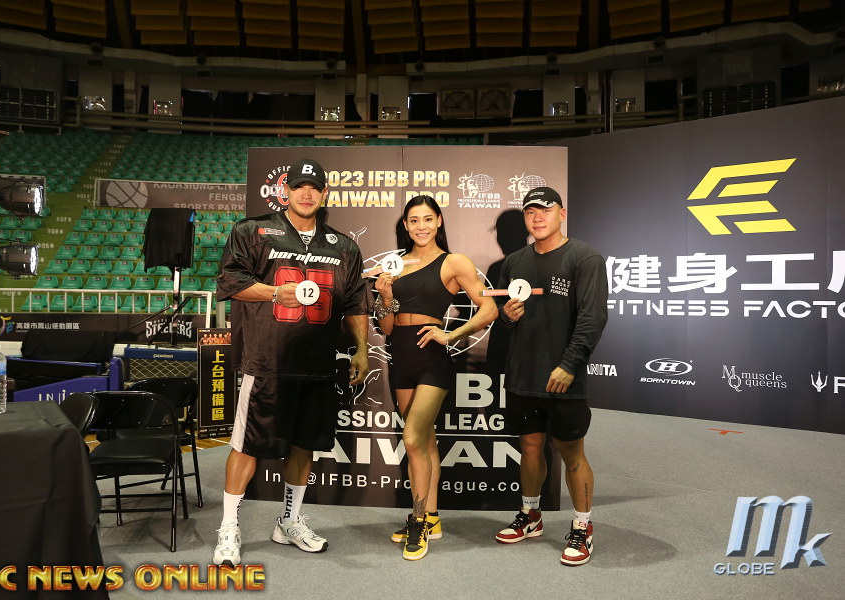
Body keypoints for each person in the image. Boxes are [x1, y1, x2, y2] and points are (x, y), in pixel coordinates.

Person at [212, 158, 371, 565]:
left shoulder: (344, 246)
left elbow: (355, 302)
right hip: (266, 361)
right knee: (246, 446)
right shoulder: (252, 231)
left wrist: (361, 348)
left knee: (304, 447)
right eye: (299, 186)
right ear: (285, 191)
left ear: (324, 194)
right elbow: (229, 281)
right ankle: (228, 528)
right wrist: (272, 293)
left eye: (314, 187)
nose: (306, 193)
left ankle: (289, 520)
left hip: (317, 364)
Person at [374, 195, 497, 561]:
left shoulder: (453, 262)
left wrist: (452, 334)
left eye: (428, 219)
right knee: (425, 441)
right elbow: (386, 326)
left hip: (432, 360)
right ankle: (432, 517)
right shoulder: (395, 264)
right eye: (414, 220)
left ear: (439, 221)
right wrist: (384, 296)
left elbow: (489, 308)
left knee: (412, 438)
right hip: (401, 358)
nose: (421, 226)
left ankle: (417, 522)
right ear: (406, 225)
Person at [492, 186, 608, 567]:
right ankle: (531, 515)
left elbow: (593, 318)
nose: (537, 217)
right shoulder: (514, 262)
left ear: (562, 213)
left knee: (572, 454)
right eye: (530, 211)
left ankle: (582, 526)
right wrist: (507, 316)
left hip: (564, 377)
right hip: (523, 374)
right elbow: (504, 317)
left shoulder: (585, 258)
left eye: (545, 209)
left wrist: (570, 364)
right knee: (529, 448)